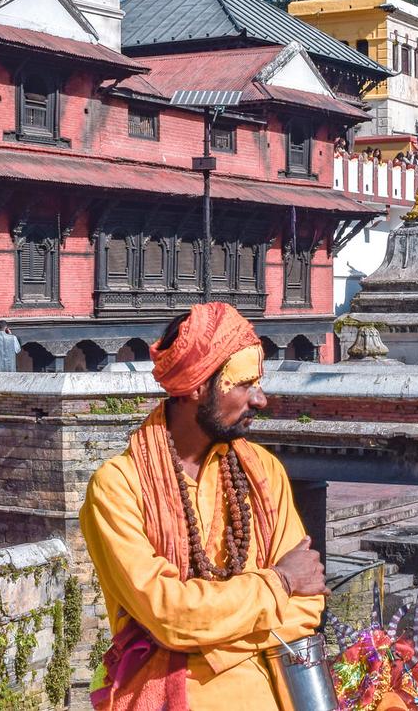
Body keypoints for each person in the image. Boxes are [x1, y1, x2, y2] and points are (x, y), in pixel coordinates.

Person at [80, 303, 326, 710]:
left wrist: (205, 633)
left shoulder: (263, 473)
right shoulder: (119, 486)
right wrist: (277, 584)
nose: (260, 399)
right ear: (196, 387)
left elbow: (307, 604)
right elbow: (169, 614)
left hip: (269, 691)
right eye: (244, 384)